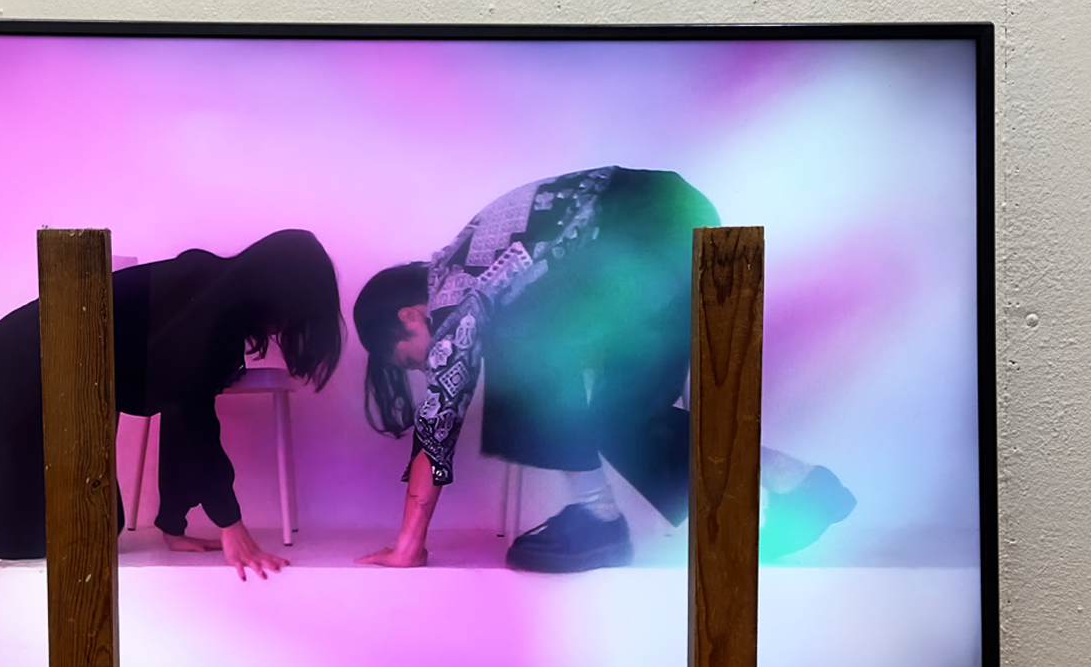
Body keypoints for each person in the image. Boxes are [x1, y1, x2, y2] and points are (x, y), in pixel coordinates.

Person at [0, 229, 344, 619]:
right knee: (49, 532)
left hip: (50, 390)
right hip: (12, 383)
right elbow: (194, 419)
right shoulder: (211, 313)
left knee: (97, 527)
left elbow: (182, 411)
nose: (286, 328)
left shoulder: (207, 291)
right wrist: (231, 526)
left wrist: (173, 525)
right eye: (296, 314)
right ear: (281, 294)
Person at [352, 166, 854, 572]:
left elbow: (437, 426)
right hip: (673, 221)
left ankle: (597, 519)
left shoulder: (452, 294)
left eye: (411, 357)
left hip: (641, 227)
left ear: (410, 316)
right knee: (623, 421)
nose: (427, 367)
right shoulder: (473, 268)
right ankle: (802, 485)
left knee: (517, 354)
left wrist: (408, 547)